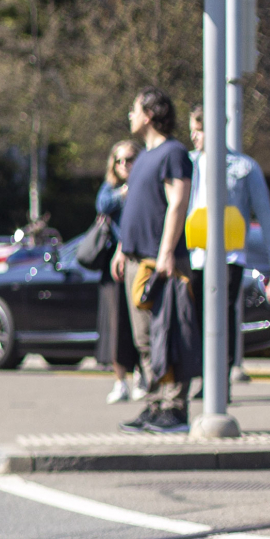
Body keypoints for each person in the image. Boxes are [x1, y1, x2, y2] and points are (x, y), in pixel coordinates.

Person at [111, 90, 193, 432]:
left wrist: (167, 252)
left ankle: (175, 409)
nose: (129, 115)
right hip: (136, 259)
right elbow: (135, 208)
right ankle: (155, 404)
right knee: (144, 339)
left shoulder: (174, 153)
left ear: (148, 114)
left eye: (133, 109)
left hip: (160, 263)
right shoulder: (145, 156)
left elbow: (178, 202)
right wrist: (121, 249)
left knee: (167, 335)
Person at [188, 108, 270, 384]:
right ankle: (202, 375)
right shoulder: (188, 163)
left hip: (229, 254)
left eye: (200, 130)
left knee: (223, 317)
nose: (195, 136)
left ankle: (219, 380)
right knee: (196, 317)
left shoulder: (243, 166)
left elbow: (264, 213)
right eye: (192, 129)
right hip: (194, 255)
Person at [98, 141, 141, 403]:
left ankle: (140, 376)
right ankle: (120, 380)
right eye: (120, 161)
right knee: (116, 325)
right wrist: (122, 195)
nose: (125, 165)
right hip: (113, 266)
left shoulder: (144, 185)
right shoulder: (111, 188)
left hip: (137, 259)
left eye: (130, 159)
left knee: (138, 323)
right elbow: (102, 204)